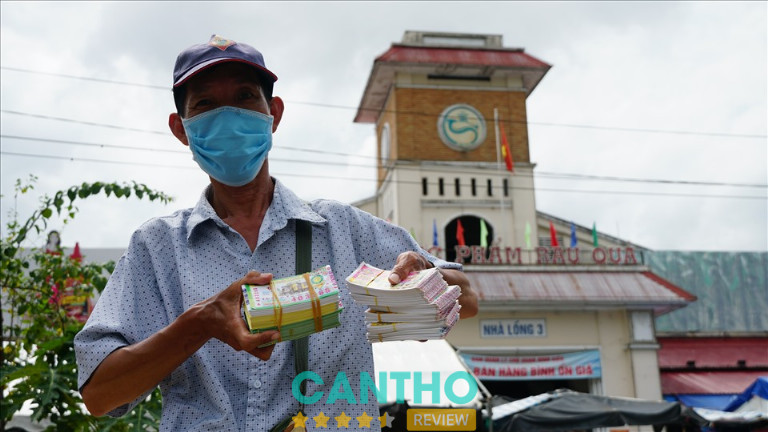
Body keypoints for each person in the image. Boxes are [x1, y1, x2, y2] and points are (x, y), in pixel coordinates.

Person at [75, 34, 478, 431]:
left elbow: (468, 296)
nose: (228, 116)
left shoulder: (344, 229)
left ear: (274, 114)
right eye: (206, 104)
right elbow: (99, 393)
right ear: (181, 129)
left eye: (246, 97)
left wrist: (426, 277)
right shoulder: (158, 248)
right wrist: (199, 324)